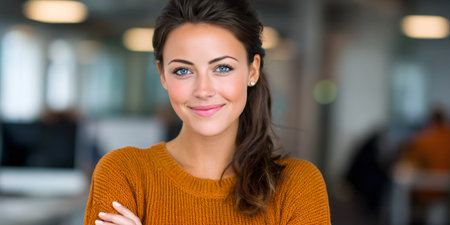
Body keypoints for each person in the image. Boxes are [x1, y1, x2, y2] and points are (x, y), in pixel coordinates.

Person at [84, 0, 331, 224]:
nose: (203, 90)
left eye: (222, 68)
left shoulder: (298, 186)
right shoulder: (123, 173)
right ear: (162, 75)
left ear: (253, 70)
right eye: (183, 70)